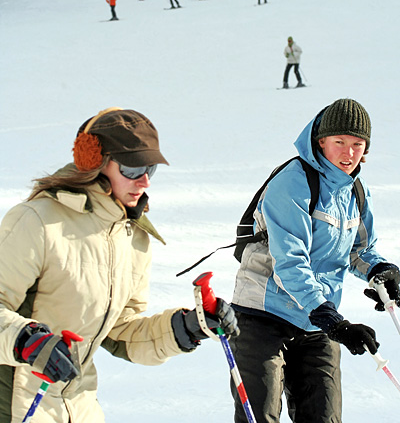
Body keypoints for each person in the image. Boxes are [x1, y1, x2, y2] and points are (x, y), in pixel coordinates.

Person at [0, 107, 239, 423]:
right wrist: (27, 342)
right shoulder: (37, 221)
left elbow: (121, 331)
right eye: (132, 167)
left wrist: (186, 327)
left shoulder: (132, 236)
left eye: (150, 169)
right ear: (93, 161)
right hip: (15, 406)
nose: (144, 181)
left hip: (80, 408)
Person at [230, 98, 400, 423]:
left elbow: (360, 250)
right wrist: (334, 321)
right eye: (340, 142)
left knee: (324, 417)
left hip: (317, 320)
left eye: (357, 144)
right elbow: (290, 263)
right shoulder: (292, 183)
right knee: (260, 415)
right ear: (321, 141)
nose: (349, 153)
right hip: (263, 315)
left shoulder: (355, 192)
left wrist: (382, 272)